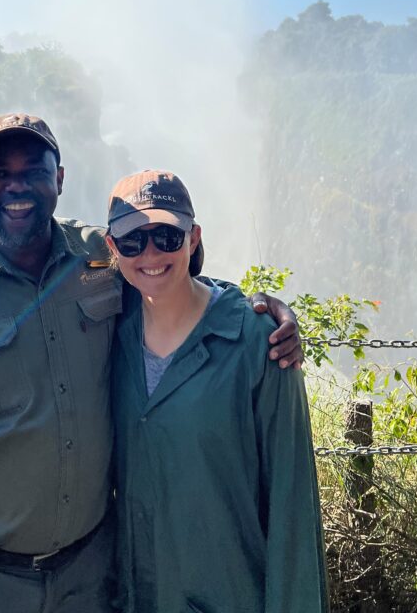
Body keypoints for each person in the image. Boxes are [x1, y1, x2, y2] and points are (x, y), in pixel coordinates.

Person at [0, 113, 303, 613]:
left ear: (59, 179)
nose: (17, 187)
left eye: (35, 171)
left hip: (89, 578)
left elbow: (165, 275)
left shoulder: (99, 259)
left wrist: (254, 311)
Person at [107, 169, 328, 613]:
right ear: (112, 249)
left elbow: (293, 508)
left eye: (167, 236)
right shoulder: (107, 331)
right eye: (133, 241)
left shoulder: (259, 343)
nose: (150, 254)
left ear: (193, 238)